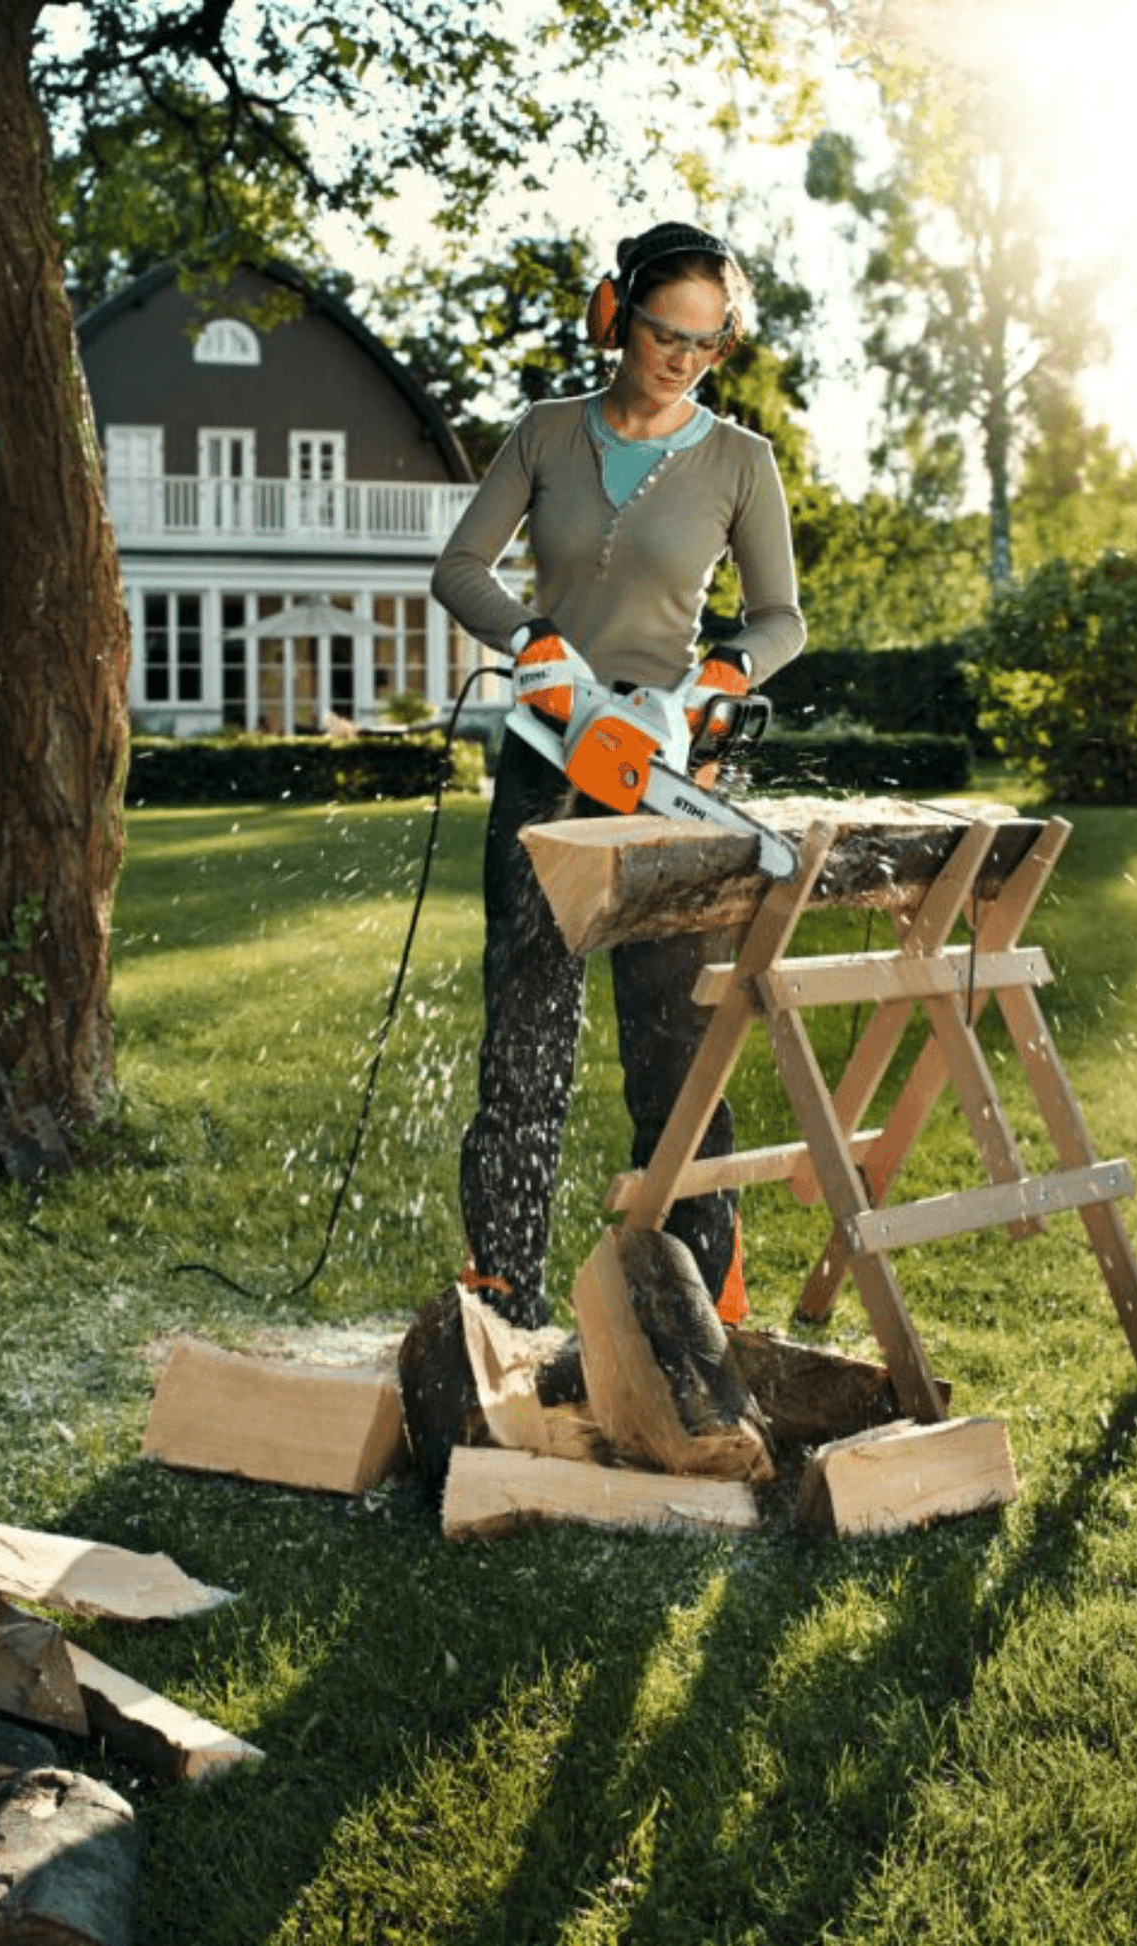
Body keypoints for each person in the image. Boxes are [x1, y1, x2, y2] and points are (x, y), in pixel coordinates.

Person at [430, 219, 806, 1331]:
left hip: (663, 763)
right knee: (526, 1028)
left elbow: (781, 613)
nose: (681, 357)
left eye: (705, 342)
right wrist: (531, 642)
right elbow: (458, 567)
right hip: (544, 757)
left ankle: (700, 1288)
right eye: (660, 332)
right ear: (613, 314)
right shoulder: (544, 435)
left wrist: (730, 668)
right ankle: (503, 1282)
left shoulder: (742, 461)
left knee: (670, 1035)